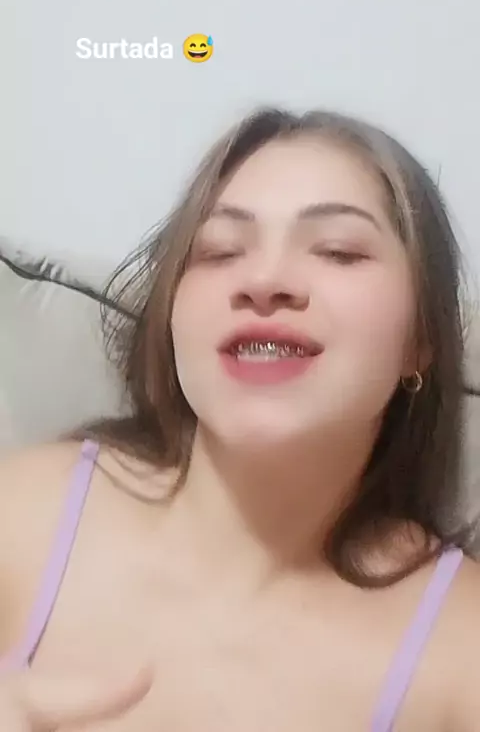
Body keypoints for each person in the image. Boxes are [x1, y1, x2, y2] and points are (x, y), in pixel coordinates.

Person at [0, 107, 479, 731]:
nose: (264, 279)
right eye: (220, 251)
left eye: (338, 252)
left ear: (421, 339)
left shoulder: (461, 653)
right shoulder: (22, 514)